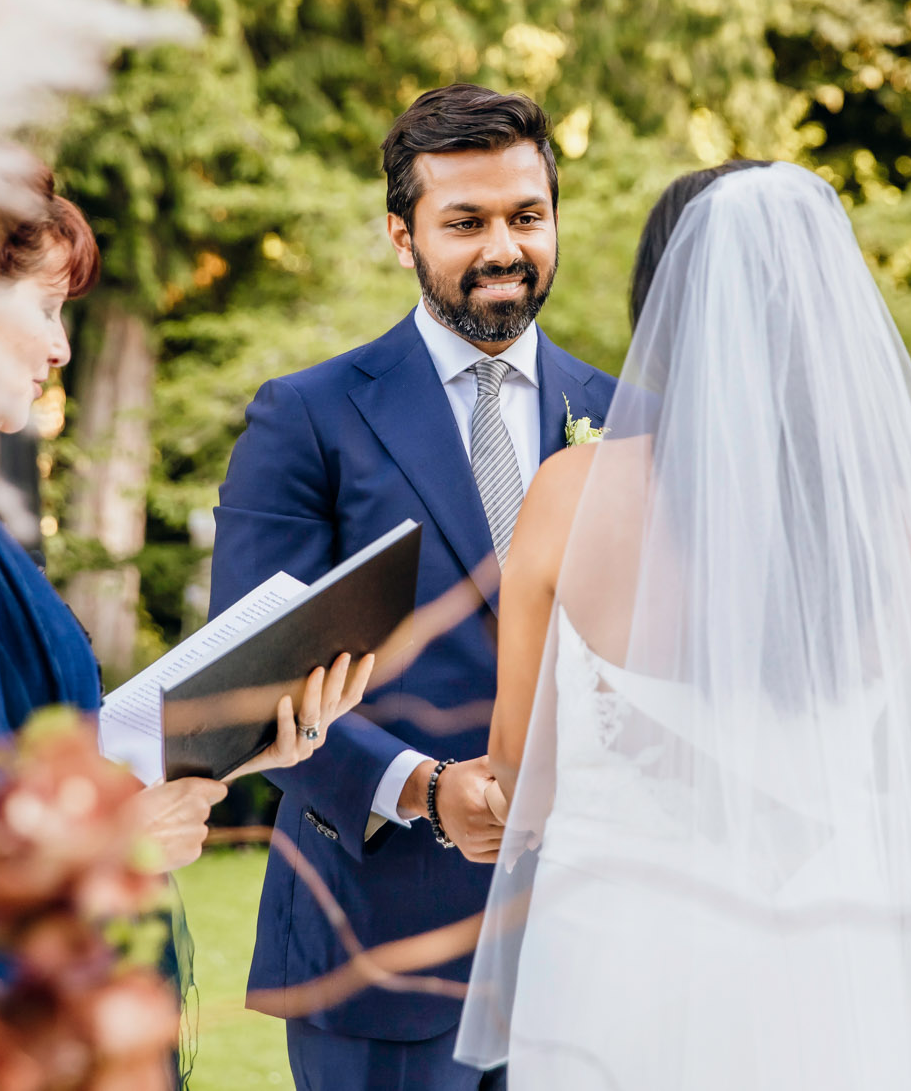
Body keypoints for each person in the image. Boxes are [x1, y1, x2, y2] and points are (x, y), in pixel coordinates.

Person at [456, 161, 911, 1088]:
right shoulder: (887, 525)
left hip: (619, 950)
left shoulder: (570, 492)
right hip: (837, 942)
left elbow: (522, 765)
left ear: (664, 301)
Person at [210, 84, 617, 1090]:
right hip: (377, 936)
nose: (502, 247)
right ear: (401, 235)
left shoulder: (626, 414)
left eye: (526, 216)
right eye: (464, 221)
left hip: (601, 945)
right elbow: (249, 674)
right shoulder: (304, 417)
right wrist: (422, 790)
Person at [0, 164, 374, 857]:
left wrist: (232, 741)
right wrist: (117, 840)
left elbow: (23, 749)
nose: (61, 346)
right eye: (46, 308)